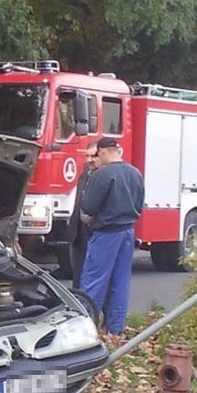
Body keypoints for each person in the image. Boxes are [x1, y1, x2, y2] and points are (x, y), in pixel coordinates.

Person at [78, 137, 145, 343]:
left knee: (93, 282)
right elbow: (140, 203)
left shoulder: (104, 174)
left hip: (106, 233)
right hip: (127, 232)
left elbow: (88, 205)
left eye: (98, 154)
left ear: (104, 152)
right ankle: (115, 329)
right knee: (120, 281)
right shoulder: (135, 173)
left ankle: (86, 330)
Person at [66, 143, 99, 288]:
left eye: (94, 156)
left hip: (95, 231)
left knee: (94, 275)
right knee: (78, 275)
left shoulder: (105, 176)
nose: (89, 160)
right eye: (87, 156)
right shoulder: (85, 175)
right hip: (79, 233)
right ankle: (79, 305)